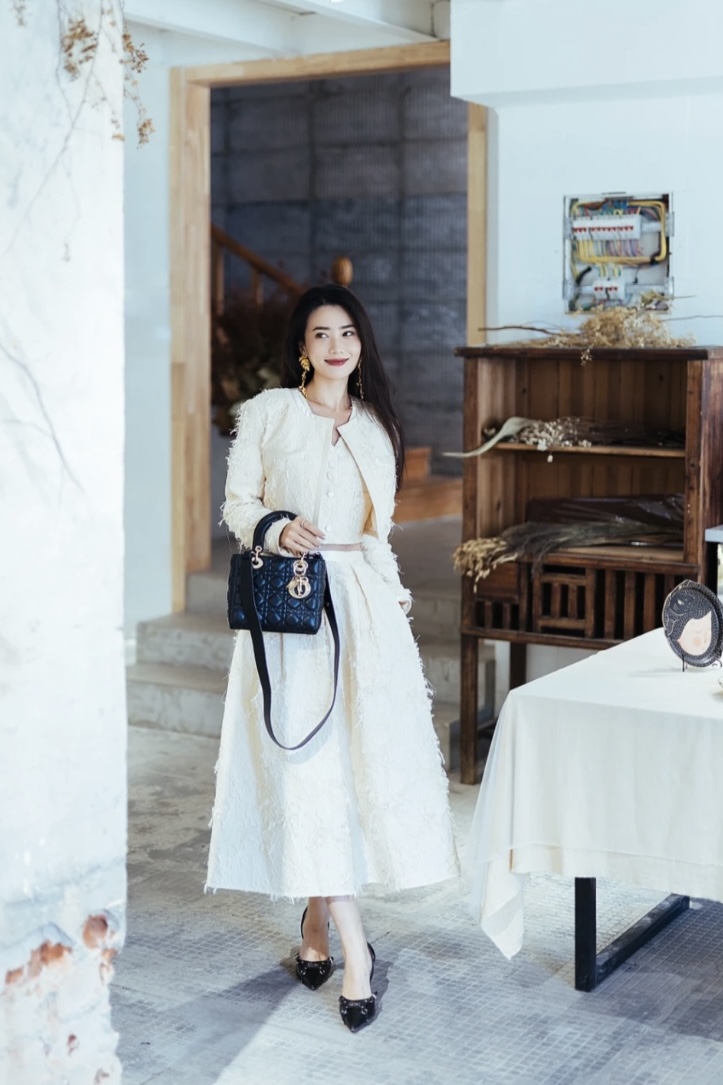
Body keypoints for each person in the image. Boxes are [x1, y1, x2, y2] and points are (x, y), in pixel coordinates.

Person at [206, 284, 458, 1033]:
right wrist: (275, 527)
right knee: (310, 770)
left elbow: (377, 534)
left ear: (360, 343)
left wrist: (393, 602)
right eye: (321, 334)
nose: (336, 345)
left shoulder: (377, 426)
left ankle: (315, 925)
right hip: (292, 612)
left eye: (347, 332)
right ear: (302, 348)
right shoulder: (268, 413)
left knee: (345, 773)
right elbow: (237, 504)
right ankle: (355, 952)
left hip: (363, 612)